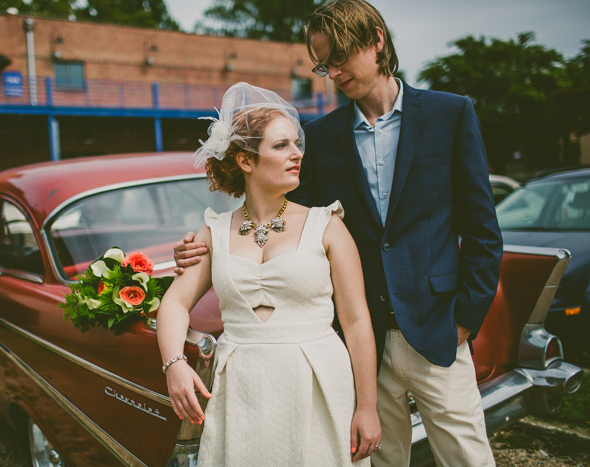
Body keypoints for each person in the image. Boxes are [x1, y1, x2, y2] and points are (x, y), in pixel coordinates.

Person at [175, 1, 503, 465]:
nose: (332, 72)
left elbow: (483, 228)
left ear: (376, 41)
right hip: (358, 342)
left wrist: (465, 318)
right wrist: (204, 243)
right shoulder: (321, 136)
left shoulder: (450, 115)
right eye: (323, 63)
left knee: (468, 457)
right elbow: (277, 209)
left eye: (340, 57)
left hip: (437, 329)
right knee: (380, 460)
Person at [157, 82, 381, 466]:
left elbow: (357, 319)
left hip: (316, 380)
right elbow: (175, 303)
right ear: (246, 161)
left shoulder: (327, 224)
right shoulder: (213, 231)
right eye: (281, 146)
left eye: (297, 144)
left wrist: (368, 407)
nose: (297, 155)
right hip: (240, 386)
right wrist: (174, 364)